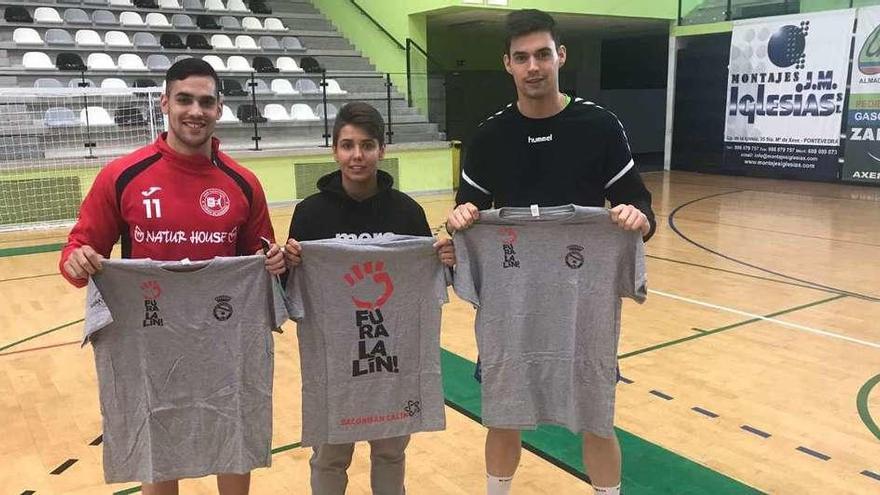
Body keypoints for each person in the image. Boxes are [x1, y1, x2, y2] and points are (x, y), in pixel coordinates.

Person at [445, 9, 656, 495]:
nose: (533, 66)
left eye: (542, 54)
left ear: (560, 56)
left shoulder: (599, 126)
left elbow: (639, 202)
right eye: (522, 58)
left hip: (584, 304)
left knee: (596, 417)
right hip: (511, 303)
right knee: (503, 412)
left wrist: (637, 219)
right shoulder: (489, 135)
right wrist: (459, 219)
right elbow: (468, 209)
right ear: (508, 65)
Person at [59, 58, 286, 495]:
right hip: (151, 338)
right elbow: (80, 245)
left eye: (205, 101)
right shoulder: (122, 176)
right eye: (184, 99)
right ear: (164, 103)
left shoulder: (243, 183)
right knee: (158, 451)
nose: (195, 111)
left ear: (219, 108)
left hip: (222, 338)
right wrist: (76, 260)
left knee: (232, 439)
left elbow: (260, 259)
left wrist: (275, 263)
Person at [284, 101, 454, 495]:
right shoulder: (309, 214)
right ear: (334, 150)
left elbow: (427, 283)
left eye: (366, 145)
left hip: (389, 354)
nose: (356, 155)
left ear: (382, 149)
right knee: (329, 455)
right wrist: (289, 263)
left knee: (390, 451)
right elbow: (292, 290)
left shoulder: (407, 212)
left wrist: (444, 261)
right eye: (347, 145)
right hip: (334, 355)